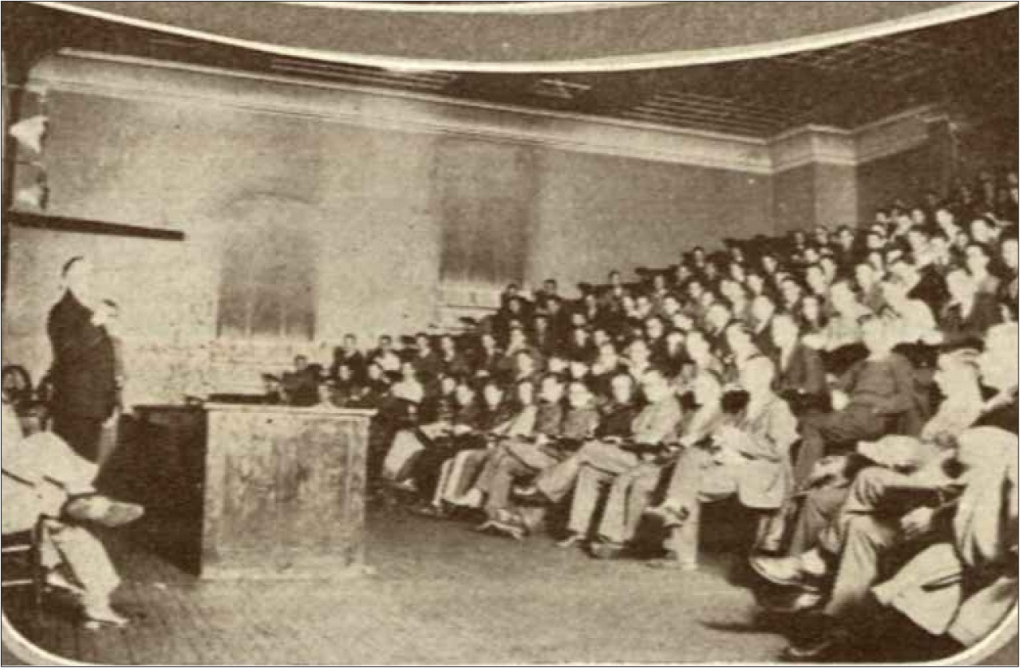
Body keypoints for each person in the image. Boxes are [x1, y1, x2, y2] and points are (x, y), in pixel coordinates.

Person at [645, 356, 799, 569]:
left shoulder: (778, 407)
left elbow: (778, 449)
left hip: (762, 472)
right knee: (691, 460)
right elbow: (728, 435)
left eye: (749, 373)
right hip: (736, 466)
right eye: (743, 373)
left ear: (767, 376)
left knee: (687, 485)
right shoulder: (744, 405)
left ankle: (681, 547)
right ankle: (675, 509)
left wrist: (737, 442)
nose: (743, 378)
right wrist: (724, 447)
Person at [3, 399, 144, 626]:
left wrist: (23, 421)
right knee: (44, 444)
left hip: (19, 495)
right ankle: (86, 500)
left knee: (64, 522)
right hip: (9, 503)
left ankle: (96, 601)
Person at [794, 317, 921, 487]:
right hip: (850, 414)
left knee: (810, 424)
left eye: (873, 332)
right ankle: (808, 480)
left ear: (885, 334)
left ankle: (802, 482)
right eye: (865, 334)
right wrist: (836, 392)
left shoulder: (897, 361)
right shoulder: (861, 364)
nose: (869, 338)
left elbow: (906, 397)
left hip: (871, 418)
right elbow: (838, 385)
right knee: (808, 420)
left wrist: (878, 408)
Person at [47, 257, 118, 462]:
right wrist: (94, 323)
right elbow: (67, 353)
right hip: (75, 408)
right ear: (64, 280)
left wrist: (109, 404)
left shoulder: (87, 312)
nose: (85, 279)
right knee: (72, 470)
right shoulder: (60, 311)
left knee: (84, 470)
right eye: (78, 275)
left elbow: (103, 362)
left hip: (92, 407)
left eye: (89, 274)